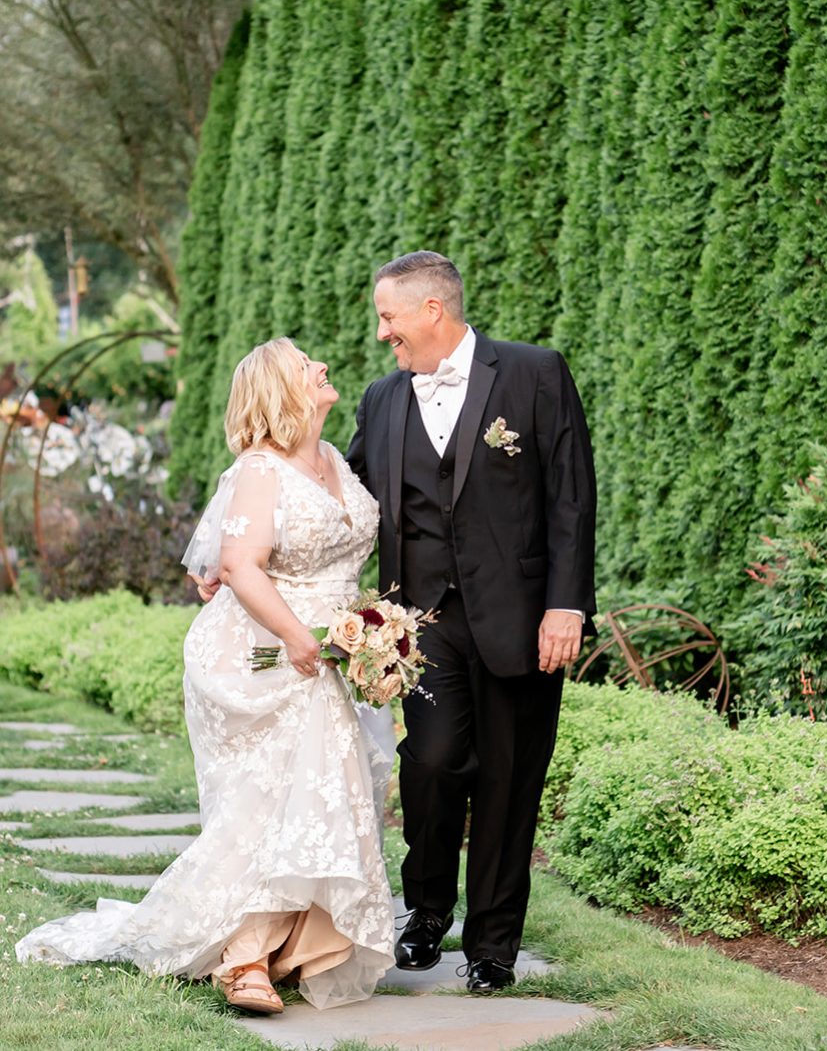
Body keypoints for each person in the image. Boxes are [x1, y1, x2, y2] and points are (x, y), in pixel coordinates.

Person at [16, 337, 397, 1014]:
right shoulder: (259, 468)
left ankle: (288, 948)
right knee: (271, 802)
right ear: (283, 389)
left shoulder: (334, 459)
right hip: (267, 649)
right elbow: (242, 564)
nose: (323, 367)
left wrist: (363, 634)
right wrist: (295, 636)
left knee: (321, 794)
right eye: (308, 364)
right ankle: (244, 958)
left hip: (328, 648)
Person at [345, 251, 596, 993]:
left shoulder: (534, 373)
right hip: (420, 625)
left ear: (432, 310)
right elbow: (349, 502)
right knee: (429, 765)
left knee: (510, 781)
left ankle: (492, 945)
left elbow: (570, 499)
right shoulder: (381, 399)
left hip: (521, 618)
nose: (384, 333)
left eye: (389, 317)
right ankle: (425, 913)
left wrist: (566, 604)